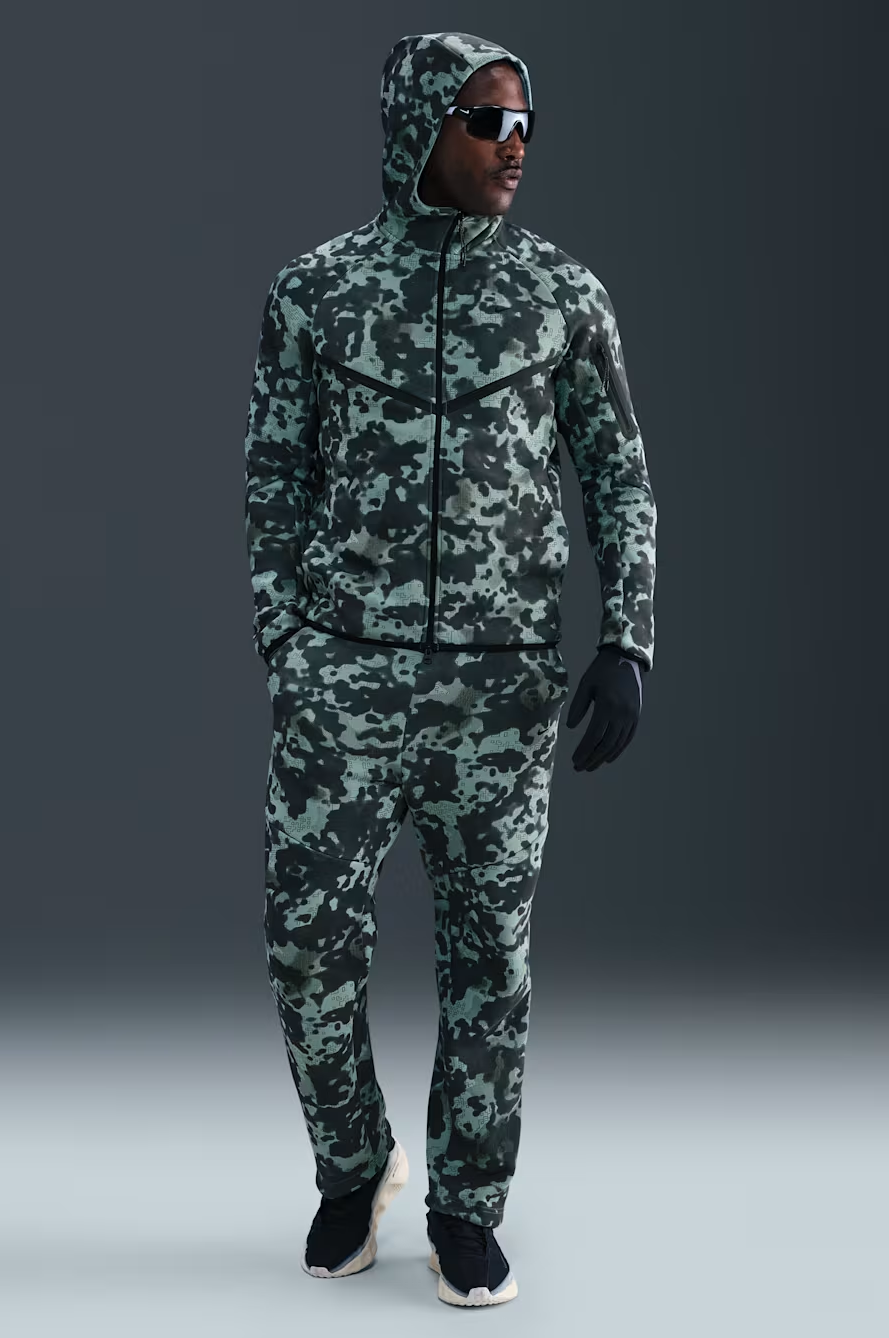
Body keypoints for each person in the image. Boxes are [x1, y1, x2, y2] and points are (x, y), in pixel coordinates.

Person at [243, 30, 656, 1308]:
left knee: (490, 961)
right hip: (345, 684)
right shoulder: (315, 293)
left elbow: (618, 475)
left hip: (500, 691)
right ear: (419, 126)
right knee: (305, 943)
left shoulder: (559, 295)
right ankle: (352, 1167)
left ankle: (467, 1211)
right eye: (485, 122)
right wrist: (287, 643)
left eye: (524, 123)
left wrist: (626, 638)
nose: (512, 146)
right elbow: (274, 476)